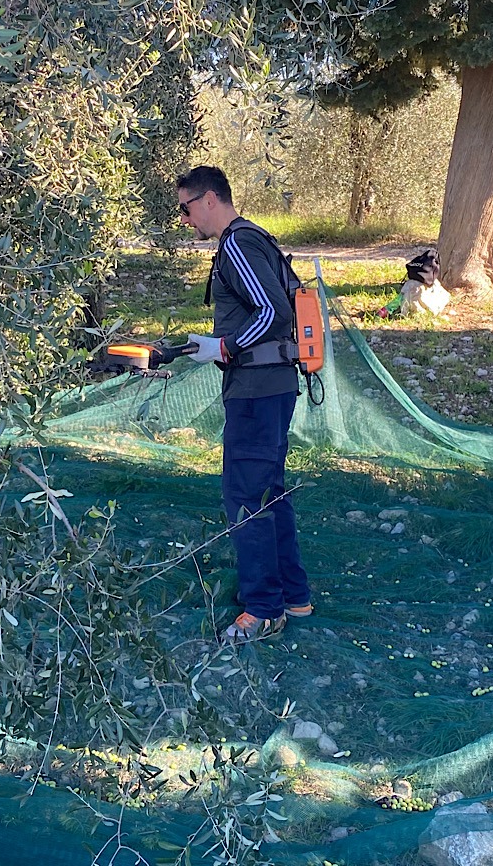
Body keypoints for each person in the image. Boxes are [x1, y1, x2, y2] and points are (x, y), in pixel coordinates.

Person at [176, 165, 311, 644]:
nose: (186, 220)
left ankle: (264, 609)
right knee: (269, 491)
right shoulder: (258, 238)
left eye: (185, 208)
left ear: (209, 199)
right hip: (274, 385)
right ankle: (293, 595)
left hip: (256, 390)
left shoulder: (236, 243)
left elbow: (272, 312)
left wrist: (226, 347)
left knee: (245, 499)